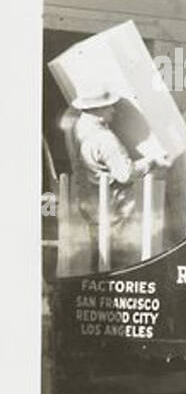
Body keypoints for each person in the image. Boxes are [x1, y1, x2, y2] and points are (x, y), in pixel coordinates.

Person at [67, 90, 154, 269]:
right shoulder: (105, 139)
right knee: (118, 259)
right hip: (113, 205)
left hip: (89, 200)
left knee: (99, 255)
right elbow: (125, 174)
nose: (114, 110)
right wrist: (150, 162)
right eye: (109, 107)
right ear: (97, 109)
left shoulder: (77, 129)